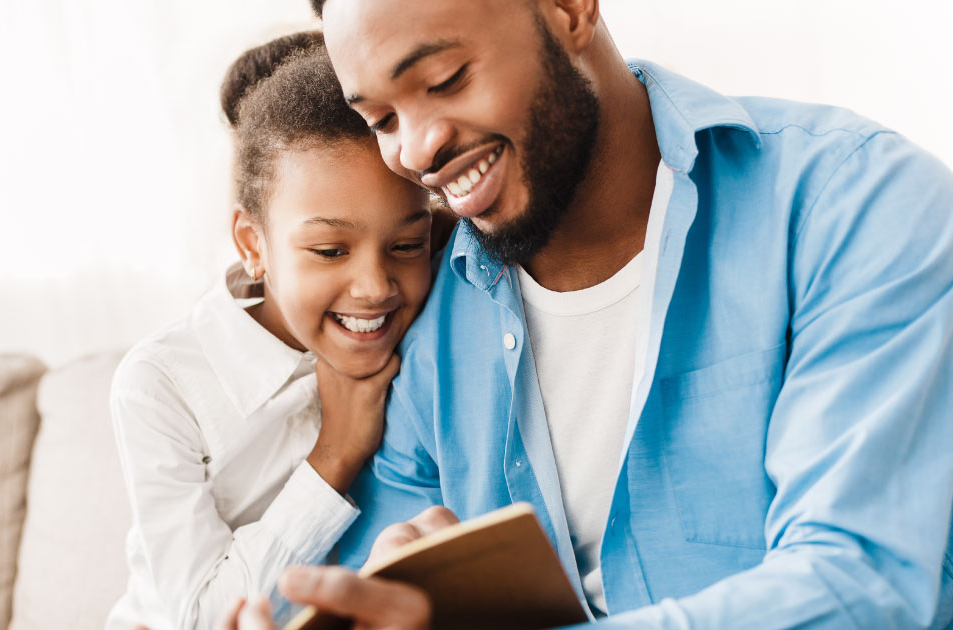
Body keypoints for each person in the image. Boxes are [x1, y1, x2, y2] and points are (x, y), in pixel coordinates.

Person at [231, 0, 953, 627]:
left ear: (571, 8)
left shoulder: (849, 205)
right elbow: (368, 589)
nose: (419, 150)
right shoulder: (431, 329)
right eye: (383, 119)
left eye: (446, 80)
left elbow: (861, 590)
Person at [105, 31, 440, 630]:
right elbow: (209, 619)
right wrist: (335, 452)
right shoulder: (161, 384)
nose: (375, 286)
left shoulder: (438, 310)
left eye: (407, 244)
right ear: (252, 245)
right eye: (330, 250)